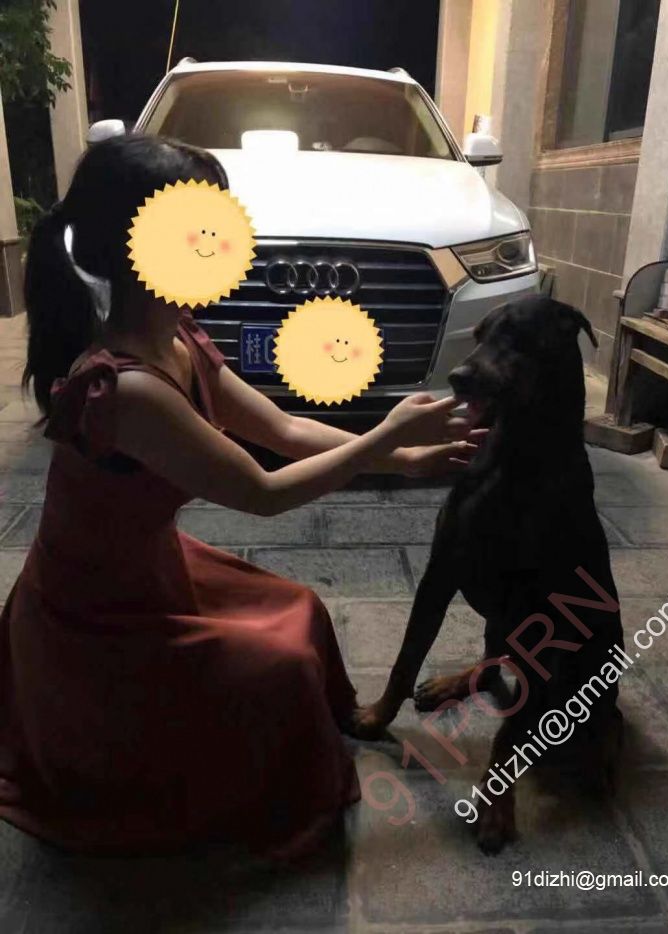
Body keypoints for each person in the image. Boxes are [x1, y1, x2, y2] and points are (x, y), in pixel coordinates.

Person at [0, 135, 481, 858]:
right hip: (94, 614)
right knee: (281, 667)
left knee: (302, 611)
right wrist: (386, 438)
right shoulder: (125, 388)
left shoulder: (178, 337)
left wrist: (404, 458)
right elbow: (262, 492)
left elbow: (282, 429)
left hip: (154, 568)